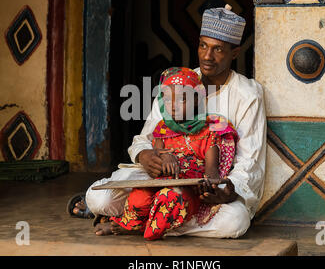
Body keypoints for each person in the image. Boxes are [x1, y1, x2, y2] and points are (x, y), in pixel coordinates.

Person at [70, 4, 267, 239]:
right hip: (160, 180)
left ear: (235, 52)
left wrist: (226, 190)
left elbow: (249, 162)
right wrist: (146, 156)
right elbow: (145, 138)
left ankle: (134, 223)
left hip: (206, 192)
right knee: (97, 197)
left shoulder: (247, 95)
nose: (207, 56)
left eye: (218, 49)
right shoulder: (177, 83)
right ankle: (161, 219)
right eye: (203, 45)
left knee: (234, 222)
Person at [97, 67, 239, 239]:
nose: (173, 107)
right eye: (168, 100)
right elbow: (158, 154)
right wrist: (164, 156)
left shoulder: (210, 131)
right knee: (138, 197)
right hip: (157, 186)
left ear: (197, 99)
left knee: (171, 197)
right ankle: (142, 224)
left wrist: (212, 185)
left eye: (181, 99)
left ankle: (141, 229)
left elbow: (212, 171)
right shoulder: (162, 129)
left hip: (187, 192)